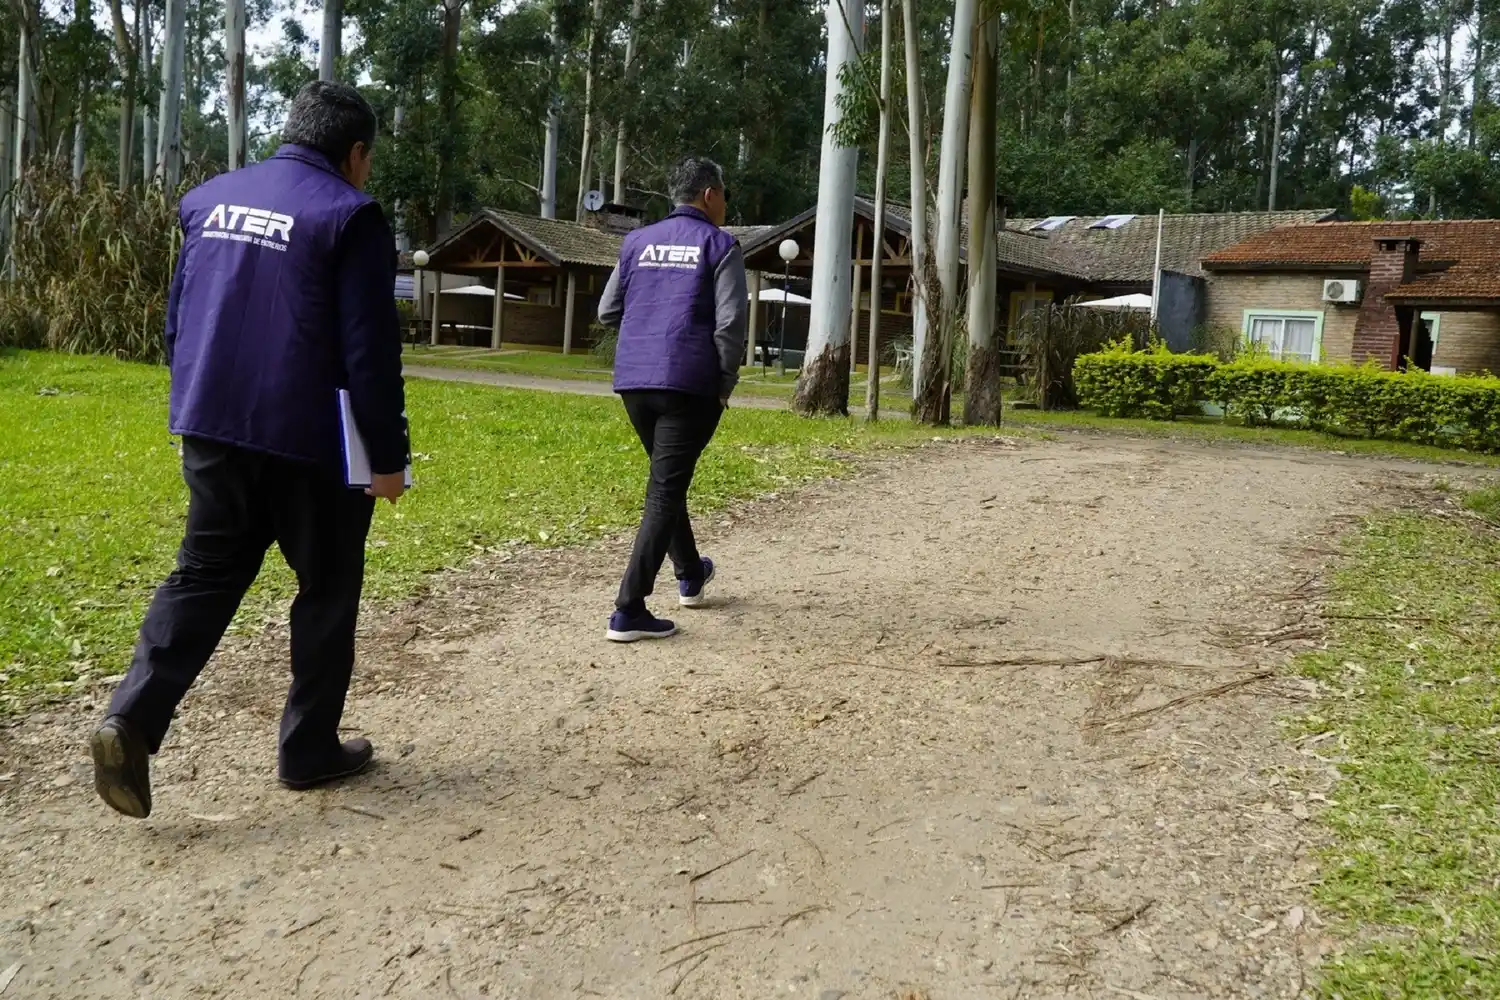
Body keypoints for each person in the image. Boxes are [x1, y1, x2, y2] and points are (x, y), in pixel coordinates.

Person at [90, 81, 409, 819]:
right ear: (355, 153)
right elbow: (369, 352)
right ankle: (308, 749)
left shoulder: (209, 199)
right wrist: (388, 458)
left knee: (204, 573)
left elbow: (178, 318)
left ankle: (131, 718)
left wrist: (197, 401)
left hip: (211, 423)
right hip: (308, 441)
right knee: (327, 588)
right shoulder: (349, 215)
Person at [597, 157, 748, 642]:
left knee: (667, 481)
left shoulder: (636, 242)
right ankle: (629, 608)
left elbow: (607, 311)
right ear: (709, 195)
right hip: (689, 385)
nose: (725, 203)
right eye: (724, 193)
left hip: (635, 383)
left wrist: (647, 336)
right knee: (664, 490)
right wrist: (724, 383)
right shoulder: (720, 245)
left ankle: (690, 573)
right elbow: (730, 324)